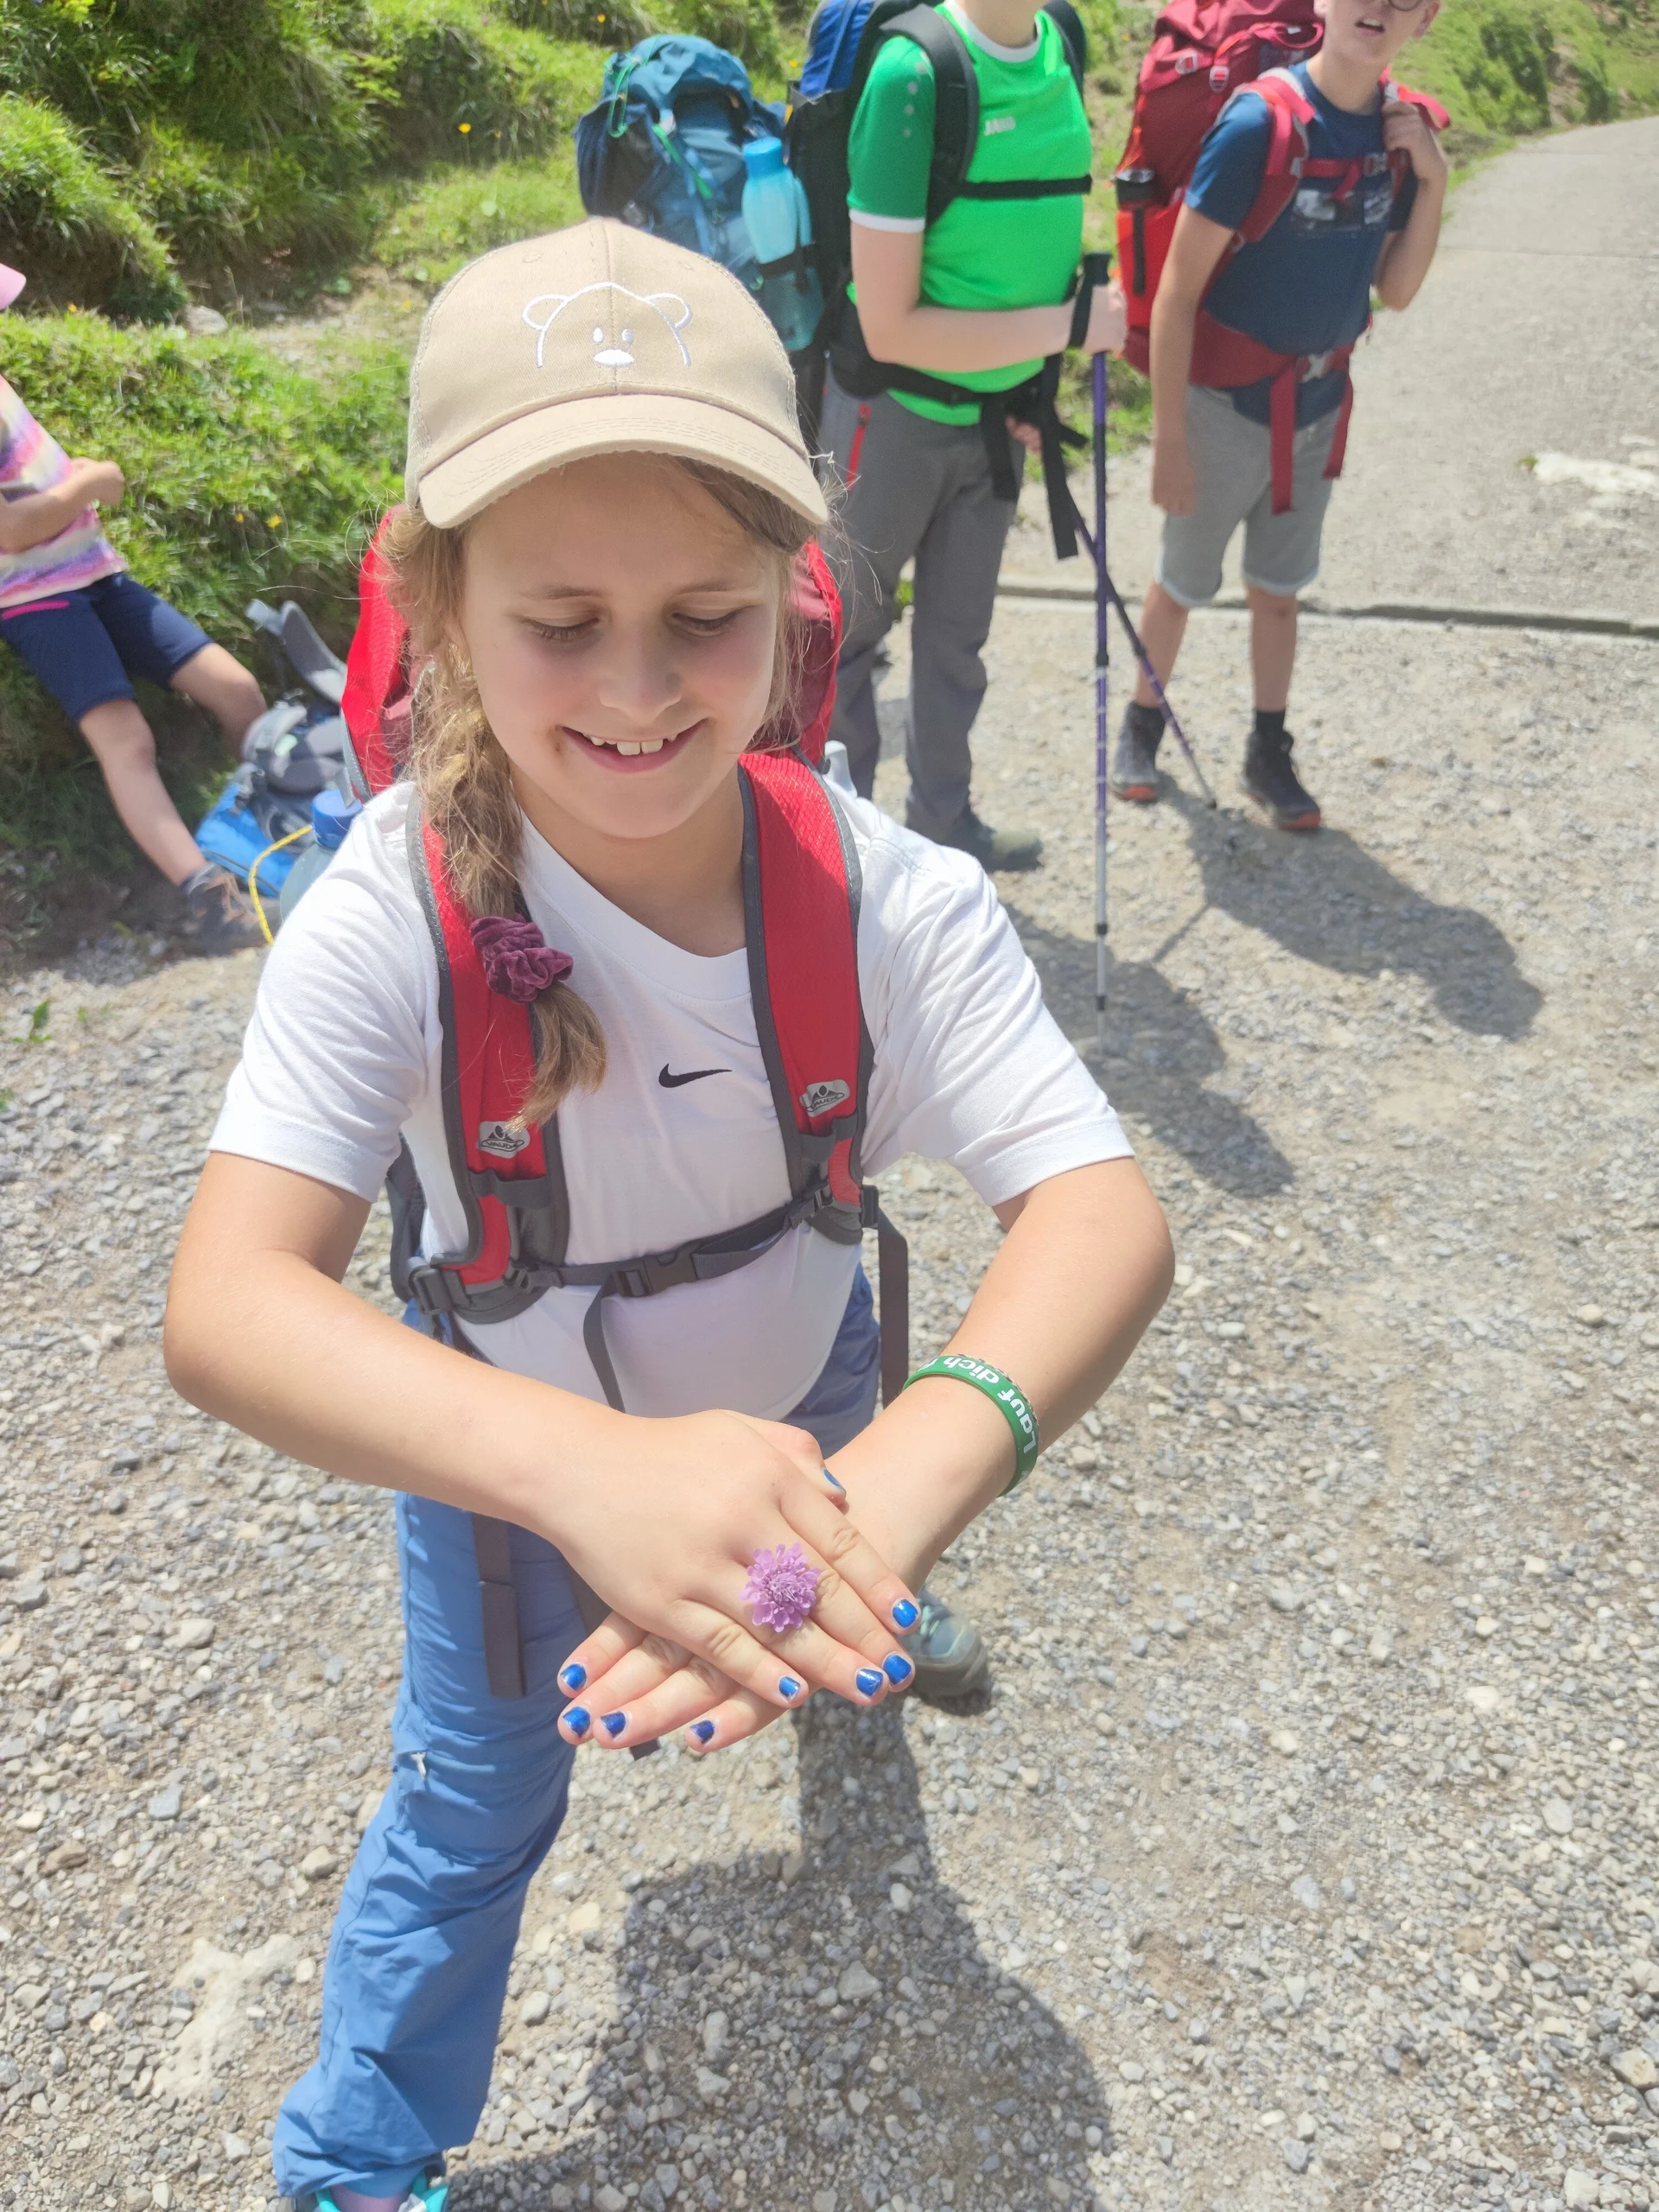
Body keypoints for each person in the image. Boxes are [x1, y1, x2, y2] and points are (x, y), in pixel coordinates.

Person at [164, 217, 1173, 2212]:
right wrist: (591, 1483)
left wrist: (879, 1500)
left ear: (800, 602)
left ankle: (852, 1584)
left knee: (832, 1522)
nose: (635, 688)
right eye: (561, 619)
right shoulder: (386, 911)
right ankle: (358, 2160)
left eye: (704, 613)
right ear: (436, 607)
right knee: (472, 1799)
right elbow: (224, 1302)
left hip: (812, 1372)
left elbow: (1101, 1211)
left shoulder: (890, 895)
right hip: (504, 1463)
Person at [1111, 0, 1446, 829]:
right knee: (1181, 583)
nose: (1378, 9)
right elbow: (1181, 295)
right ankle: (1140, 729)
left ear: (1426, 18)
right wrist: (1171, 442)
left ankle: (1268, 751)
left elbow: (1396, 292)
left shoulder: (1402, 140)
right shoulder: (1260, 123)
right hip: (1221, 407)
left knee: (1281, 593)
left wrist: (1434, 178)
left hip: (1320, 407)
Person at [823, 0, 1127, 872]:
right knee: (846, 636)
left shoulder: (1060, 38)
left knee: (957, 636)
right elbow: (891, 326)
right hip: (891, 413)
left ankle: (941, 825)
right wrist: (1066, 329)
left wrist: (1038, 379)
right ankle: (843, 851)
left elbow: (1034, 238)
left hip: (998, 416)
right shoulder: (913, 76)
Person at [0, 259, 266, 946]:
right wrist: (93, 482)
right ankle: (205, 892)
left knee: (238, 691)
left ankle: (261, 827)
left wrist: (77, 485)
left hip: (97, 573)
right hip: (35, 598)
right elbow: (11, 531)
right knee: (128, 740)